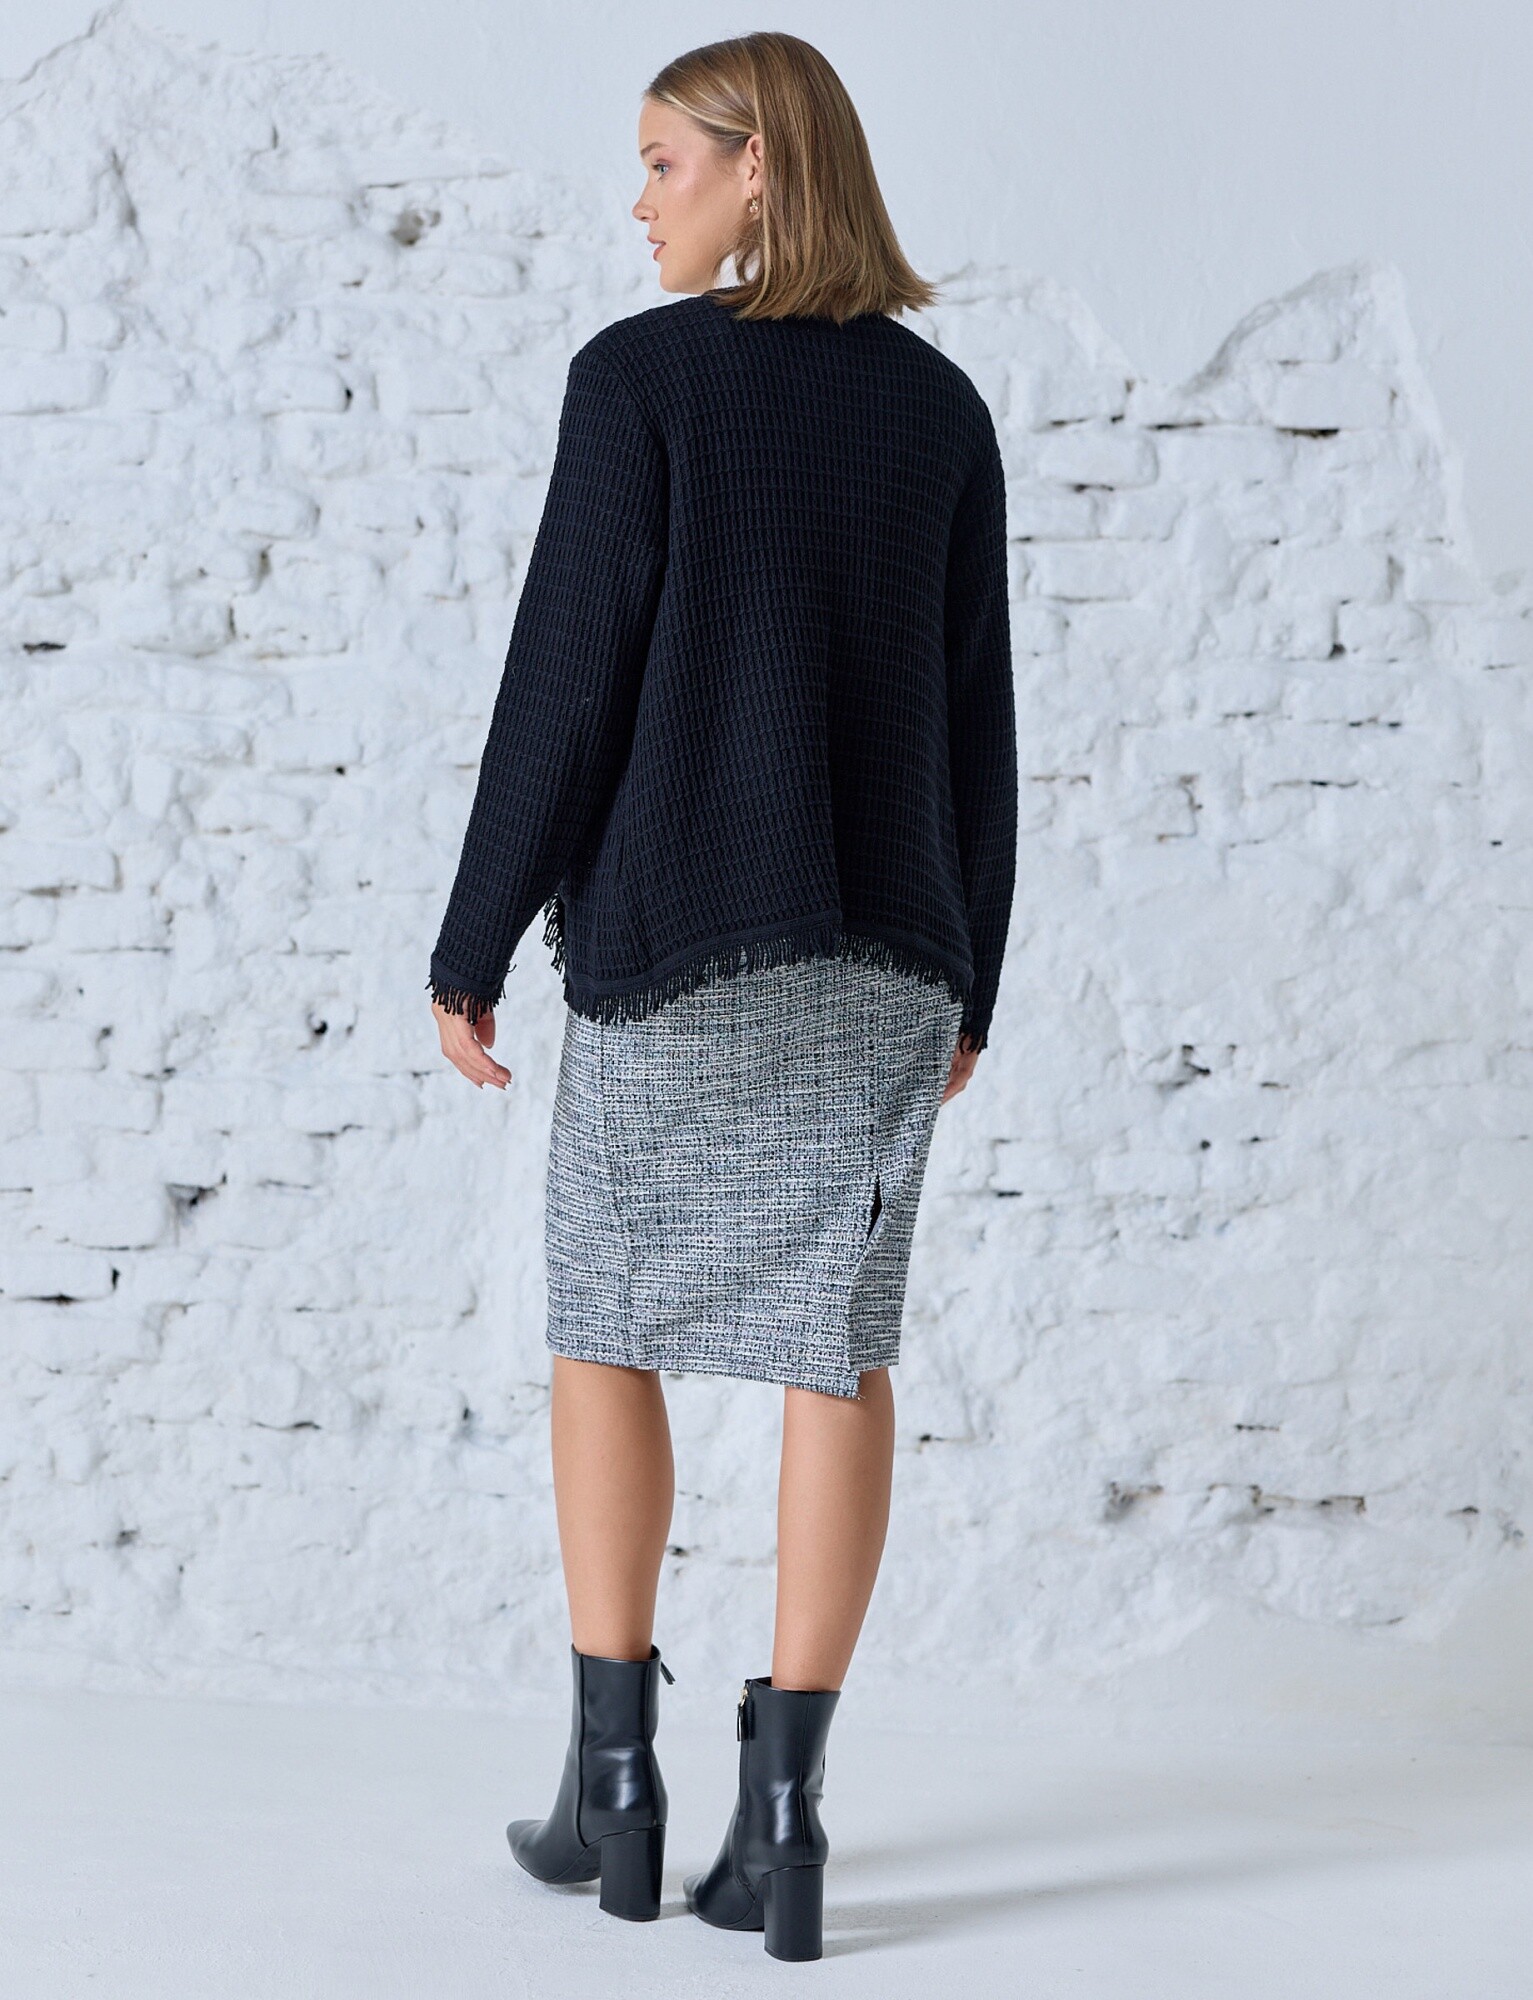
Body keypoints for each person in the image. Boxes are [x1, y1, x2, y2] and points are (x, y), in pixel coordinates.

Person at [426, 31, 1016, 1964]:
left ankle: (614, 1789)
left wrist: (472, 938)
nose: (639, 201)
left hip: (677, 938)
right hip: (885, 951)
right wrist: (974, 976)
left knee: (608, 1323)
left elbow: (563, 676)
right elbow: (979, 724)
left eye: (663, 163)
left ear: (759, 169)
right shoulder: (939, 411)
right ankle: (786, 1825)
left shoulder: (641, 380)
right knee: (834, 1351)